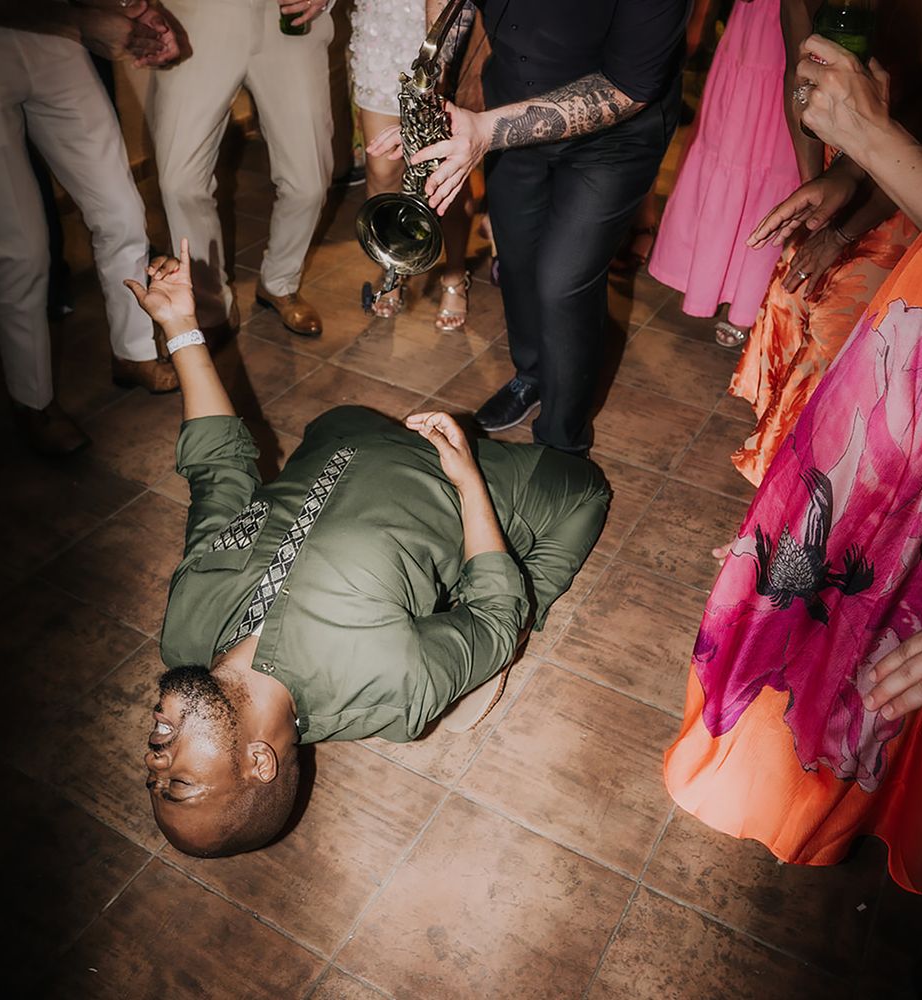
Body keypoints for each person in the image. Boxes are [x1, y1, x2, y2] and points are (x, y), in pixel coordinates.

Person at [126, 239, 608, 857]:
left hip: (347, 432)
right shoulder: (388, 687)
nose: (154, 763)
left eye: (150, 779)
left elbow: (219, 473)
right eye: (179, 785)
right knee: (583, 492)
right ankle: (485, 636)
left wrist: (181, 329)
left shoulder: (186, 630)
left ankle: (463, 638)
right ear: (259, 762)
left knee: (341, 420)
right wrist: (468, 482)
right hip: (480, 483)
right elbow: (494, 616)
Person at [664, 31, 922, 893]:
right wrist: (853, 179)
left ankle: (830, 789)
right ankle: (773, 763)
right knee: (825, 551)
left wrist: (874, 144)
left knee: (900, 596)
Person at [368, 0, 692, 456]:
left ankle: (563, 440)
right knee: (516, 257)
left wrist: (486, 131)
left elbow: (629, 87)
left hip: (615, 140)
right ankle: (532, 375)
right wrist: (434, 88)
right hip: (508, 103)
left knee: (562, 282)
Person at [726, 0, 922, 484]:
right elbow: (797, 79)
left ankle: (808, 497)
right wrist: (813, 192)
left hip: (909, 190)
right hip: (840, 172)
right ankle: (781, 491)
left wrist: (841, 229)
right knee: (794, 297)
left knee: (837, 350)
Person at [0, 0, 180, 455]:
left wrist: (132, 9)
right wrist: (82, 20)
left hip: (58, 40)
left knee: (121, 212)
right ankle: (32, 400)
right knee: (22, 249)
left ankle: (133, 352)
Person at [147, 0, 335, 339]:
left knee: (309, 182)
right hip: (198, 17)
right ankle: (209, 302)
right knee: (180, 182)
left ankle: (280, 282)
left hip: (290, 19)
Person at [647, 0, 803, 348]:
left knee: (778, 156)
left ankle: (749, 301)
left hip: (803, 22)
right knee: (732, 142)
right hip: (756, 22)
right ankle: (714, 282)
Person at [350, 0, 476, 328]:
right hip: (382, 27)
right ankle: (394, 266)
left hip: (442, 28)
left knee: (445, 171)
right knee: (381, 168)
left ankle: (454, 272)